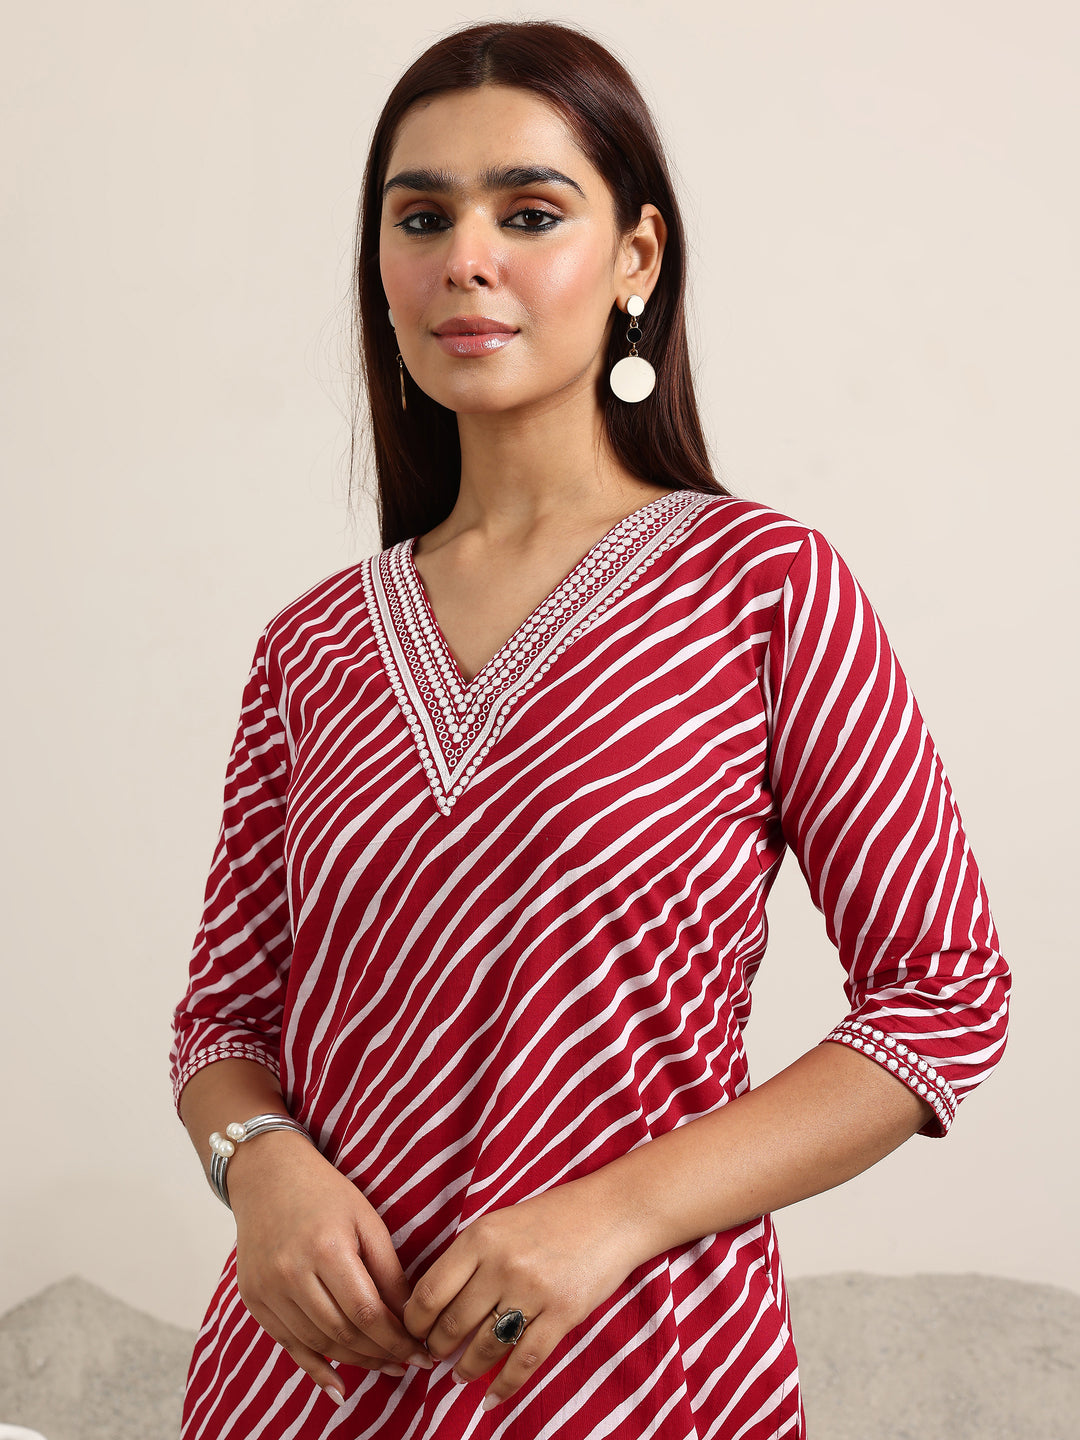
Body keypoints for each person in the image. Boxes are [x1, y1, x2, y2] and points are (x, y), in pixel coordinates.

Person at [170, 18, 1010, 1440]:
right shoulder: (311, 643)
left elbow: (945, 997)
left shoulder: (762, 588)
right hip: (307, 1385)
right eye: (421, 218)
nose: (467, 259)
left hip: (633, 1372)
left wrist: (612, 1217)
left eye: (530, 212)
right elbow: (224, 1021)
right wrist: (261, 1167)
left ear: (636, 257)